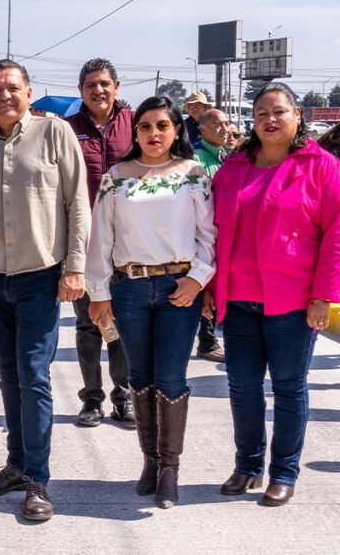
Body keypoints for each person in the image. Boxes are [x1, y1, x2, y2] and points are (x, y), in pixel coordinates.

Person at [0, 59, 89, 522]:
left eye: (12, 88)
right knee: (8, 372)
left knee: (34, 375)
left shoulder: (55, 134)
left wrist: (75, 267)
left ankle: (37, 480)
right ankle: (16, 462)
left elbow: (78, 204)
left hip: (41, 276)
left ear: (28, 92)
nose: (3, 96)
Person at [205, 82, 340, 507]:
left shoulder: (321, 166)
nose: (270, 119)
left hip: (295, 302)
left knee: (288, 387)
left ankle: (284, 472)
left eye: (279, 111)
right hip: (239, 299)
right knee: (242, 388)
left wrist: (324, 296)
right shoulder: (232, 168)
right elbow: (213, 232)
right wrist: (211, 288)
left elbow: (337, 233)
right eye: (262, 112)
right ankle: (247, 465)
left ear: (298, 115)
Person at [85, 95, 216, 508]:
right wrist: (99, 293)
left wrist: (197, 280)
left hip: (180, 289)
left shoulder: (193, 174)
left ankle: (170, 469)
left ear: (177, 129)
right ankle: (149, 460)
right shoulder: (116, 177)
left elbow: (209, 235)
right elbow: (100, 239)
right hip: (130, 289)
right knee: (139, 376)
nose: (154, 134)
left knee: (172, 378)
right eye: (145, 126)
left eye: (162, 125)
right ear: (135, 131)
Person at [64, 58, 134, 428]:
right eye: (91, 84)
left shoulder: (135, 123)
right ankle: (91, 399)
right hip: (85, 242)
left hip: (128, 243)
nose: (98, 90)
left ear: (117, 86)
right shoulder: (66, 129)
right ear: (81, 91)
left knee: (121, 322)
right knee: (89, 324)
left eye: (105, 83)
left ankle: (124, 397)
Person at [190, 108, 235, 363]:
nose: (224, 128)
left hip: (224, 231)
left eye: (226, 123)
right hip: (204, 232)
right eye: (217, 124)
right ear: (202, 130)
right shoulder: (197, 158)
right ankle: (206, 341)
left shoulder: (226, 156)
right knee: (205, 284)